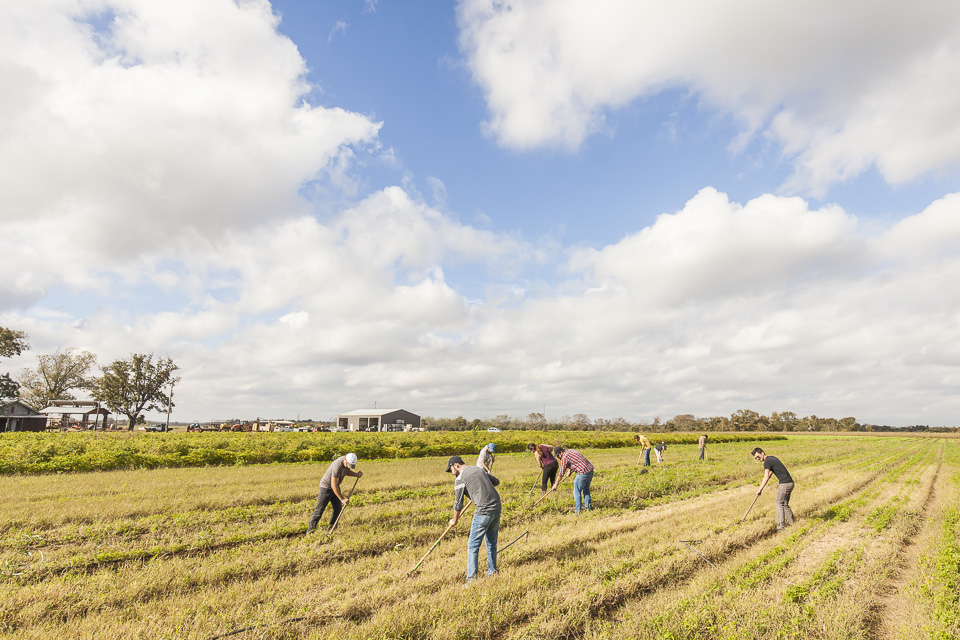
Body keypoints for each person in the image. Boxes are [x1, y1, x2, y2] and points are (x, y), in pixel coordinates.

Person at [447, 455, 501, 584]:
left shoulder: (460, 478)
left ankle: (471, 579)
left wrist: (454, 520)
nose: (451, 473)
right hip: (496, 507)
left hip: (483, 510)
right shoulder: (479, 469)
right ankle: (492, 571)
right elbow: (496, 482)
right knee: (491, 542)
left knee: (472, 545)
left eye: (450, 470)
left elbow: (458, 503)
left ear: (456, 465)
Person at [306, 453, 362, 534]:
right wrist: (342, 499)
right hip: (326, 487)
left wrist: (356, 474)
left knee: (337, 509)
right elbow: (333, 485)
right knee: (319, 510)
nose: (349, 466)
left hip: (335, 487)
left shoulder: (346, 464)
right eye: (349, 464)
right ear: (345, 459)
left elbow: (347, 471)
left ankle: (331, 527)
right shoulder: (337, 465)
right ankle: (310, 532)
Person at [752, 447, 795, 531]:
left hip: (785, 484)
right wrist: (772, 472)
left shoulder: (767, 462)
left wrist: (759, 489)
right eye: (756, 458)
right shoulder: (772, 458)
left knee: (779, 503)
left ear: (762, 453)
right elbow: (777, 468)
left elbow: (766, 476)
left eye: (758, 456)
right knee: (785, 504)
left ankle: (780, 527)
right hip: (790, 483)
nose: (758, 459)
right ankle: (792, 523)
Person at [553, 446, 595, 513]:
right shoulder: (570, 451)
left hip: (582, 473)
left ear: (561, 452)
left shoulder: (564, 457)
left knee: (576, 492)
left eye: (558, 455)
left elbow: (561, 473)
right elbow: (575, 461)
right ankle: (588, 508)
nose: (558, 457)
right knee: (586, 490)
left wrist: (555, 484)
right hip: (590, 471)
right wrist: (569, 471)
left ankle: (577, 511)